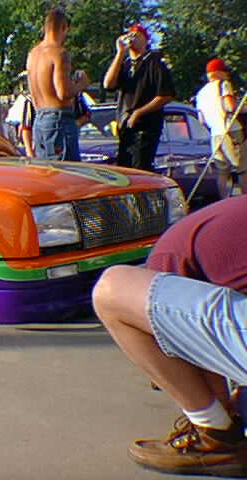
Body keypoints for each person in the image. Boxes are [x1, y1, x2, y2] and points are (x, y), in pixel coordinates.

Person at [92, 195, 247, 477]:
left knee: (111, 289)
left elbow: (197, 349)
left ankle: (216, 437)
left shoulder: (169, 256)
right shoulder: (225, 228)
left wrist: (218, 406)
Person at [103, 24, 175, 171]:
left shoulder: (154, 62)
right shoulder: (125, 64)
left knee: (140, 168)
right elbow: (108, 84)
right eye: (130, 34)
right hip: (125, 128)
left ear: (146, 40)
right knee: (125, 170)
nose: (132, 37)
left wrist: (139, 112)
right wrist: (120, 53)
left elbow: (165, 95)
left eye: (137, 35)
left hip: (145, 128)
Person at [26, 7, 90, 161]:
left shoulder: (32, 54)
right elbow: (63, 92)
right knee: (65, 171)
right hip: (58, 120)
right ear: (64, 27)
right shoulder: (59, 53)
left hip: (39, 118)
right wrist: (82, 84)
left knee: (45, 172)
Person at [195, 58, 247, 198]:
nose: (227, 75)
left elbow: (202, 120)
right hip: (231, 131)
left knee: (222, 172)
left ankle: (224, 201)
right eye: (225, 71)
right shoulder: (223, 84)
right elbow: (230, 107)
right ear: (217, 72)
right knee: (242, 169)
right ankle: (245, 201)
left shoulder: (201, 93)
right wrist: (243, 107)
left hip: (215, 135)